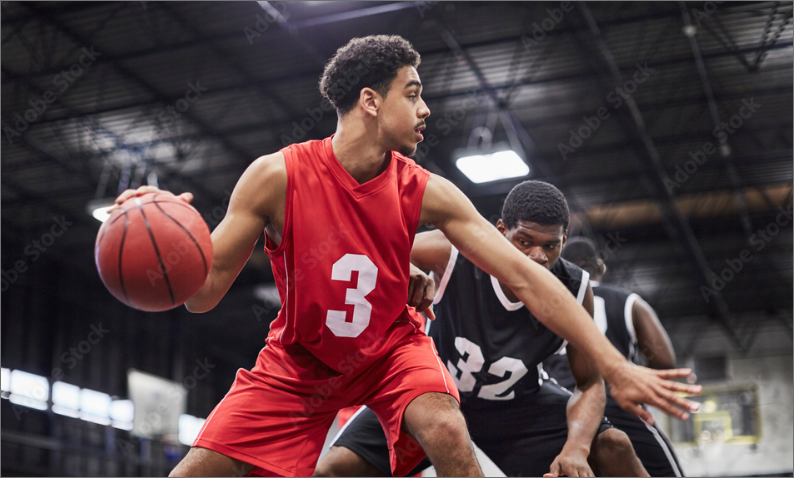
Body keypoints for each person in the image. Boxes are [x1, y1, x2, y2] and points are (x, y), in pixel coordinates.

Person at [114, 35, 699, 477]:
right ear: (370, 101)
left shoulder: (427, 190)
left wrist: (613, 363)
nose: (426, 109)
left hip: (393, 350)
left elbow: (524, 276)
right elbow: (203, 294)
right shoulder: (276, 177)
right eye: (413, 93)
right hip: (299, 361)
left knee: (446, 429)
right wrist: (170, 247)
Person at [315, 180, 649, 477]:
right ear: (501, 230)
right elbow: (368, 249)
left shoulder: (576, 288)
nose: (538, 257)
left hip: (518, 408)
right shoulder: (454, 254)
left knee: (614, 446)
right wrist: (408, 265)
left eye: (550, 246)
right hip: (431, 396)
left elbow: (589, 382)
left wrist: (575, 448)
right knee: (334, 469)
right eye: (524, 241)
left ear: (564, 239)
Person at [545, 237, 684, 476]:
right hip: (617, 403)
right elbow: (664, 360)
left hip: (561, 410)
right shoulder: (628, 302)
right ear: (600, 266)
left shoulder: (544, 303)